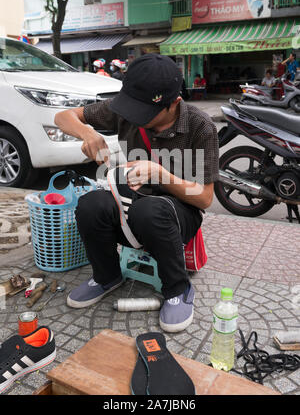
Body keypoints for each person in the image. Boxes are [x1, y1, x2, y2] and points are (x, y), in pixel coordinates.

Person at [54, 54, 219, 333]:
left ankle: (178, 289)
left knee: (150, 211)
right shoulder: (126, 109)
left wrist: (160, 175)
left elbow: (204, 198)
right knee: (90, 205)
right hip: (132, 200)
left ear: (174, 103)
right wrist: (86, 134)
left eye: (146, 113)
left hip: (180, 212)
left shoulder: (200, 127)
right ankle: (106, 277)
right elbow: (63, 116)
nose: (135, 118)